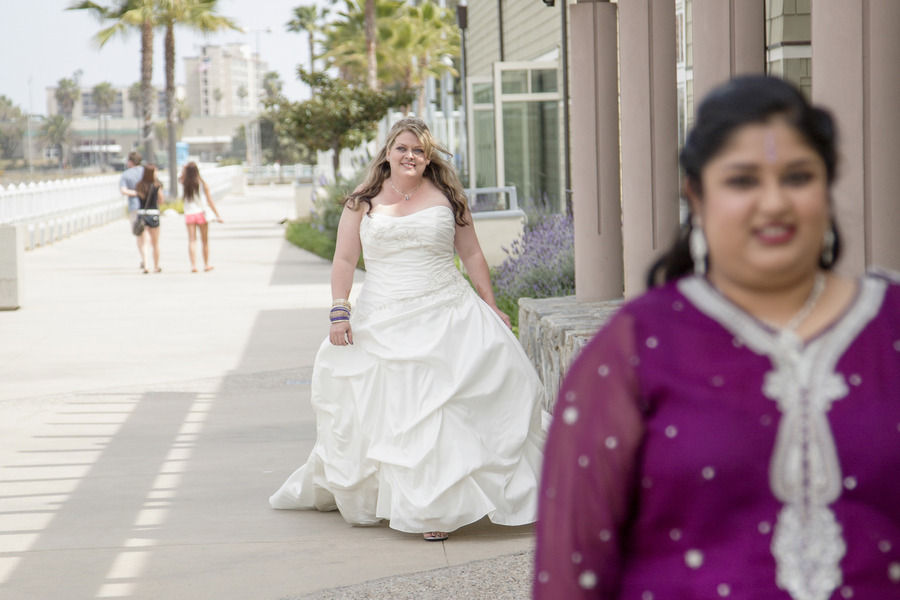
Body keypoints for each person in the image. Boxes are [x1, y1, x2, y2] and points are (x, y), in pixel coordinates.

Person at [533, 76, 900, 599]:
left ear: (827, 184)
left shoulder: (891, 328)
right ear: (697, 194)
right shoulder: (634, 350)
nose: (773, 202)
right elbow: (571, 573)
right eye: (743, 181)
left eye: (798, 176)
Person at [270, 117, 548, 542]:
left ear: (429, 155)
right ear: (387, 152)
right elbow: (344, 260)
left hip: (449, 313)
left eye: (419, 150)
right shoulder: (361, 202)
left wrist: (491, 305)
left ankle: (435, 507)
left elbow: (472, 253)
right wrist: (339, 311)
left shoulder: (449, 197)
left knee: (444, 407)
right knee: (397, 411)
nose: (410, 156)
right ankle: (408, 498)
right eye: (402, 148)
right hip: (383, 316)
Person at [179, 161, 222, 272]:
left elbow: (180, 177)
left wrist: (184, 170)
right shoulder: (203, 184)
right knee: (204, 241)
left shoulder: (185, 183)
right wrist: (217, 215)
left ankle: (193, 265)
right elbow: (210, 201)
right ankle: (206, 264)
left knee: (192, 241)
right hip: (201, 214)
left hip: (189, 215)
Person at [133, 164, 164, 273]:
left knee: (145, 242)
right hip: (154, 214)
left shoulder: (139, 185)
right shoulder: (156, 185)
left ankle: (146, 265)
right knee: (155, 243)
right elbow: (161, 200)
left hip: (142, 214)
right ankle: (156, 266)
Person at [119, 151, 146, 269]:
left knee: (139, 235)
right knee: (148, 235)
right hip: (148, 207)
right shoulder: (146, 172)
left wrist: (136, 193)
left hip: (134, 207)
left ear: (130, 162)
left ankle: (145, 259)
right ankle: (149, 259)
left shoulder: (126, 175)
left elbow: (123, 190)